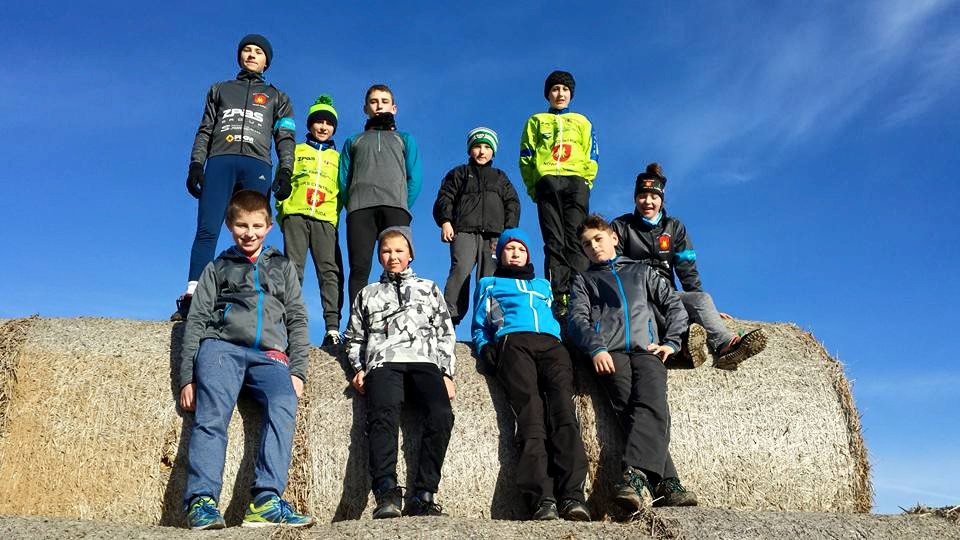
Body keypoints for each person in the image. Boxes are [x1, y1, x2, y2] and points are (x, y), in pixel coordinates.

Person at [178, 190, 313, 530]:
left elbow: (297, 318)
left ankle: (266, 500)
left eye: (256, 226)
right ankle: (202, 501)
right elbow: (197, 320)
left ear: (269, 227)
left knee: (284, 403)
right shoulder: (217, 268)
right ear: (229, 225)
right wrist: (187, 377)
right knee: (212, 416)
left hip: (269, 355)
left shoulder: (283, 267)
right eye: (241, 226)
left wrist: (298, 370)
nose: (249, 233)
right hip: (221, 348)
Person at [568, 215, 699, 513]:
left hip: (647, 350)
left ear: (613, 238)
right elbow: (577, 320)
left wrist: (672, 342)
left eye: (598, 239)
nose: (593, 247)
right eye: (586, 244)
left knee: (653, 404)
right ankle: (668, 483)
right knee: (629, 411)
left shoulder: (642, 271)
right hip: (610, 354)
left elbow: (673, 305)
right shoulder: (584, 280)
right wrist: (596, 348)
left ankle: (635, 476)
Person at [173, 34, 296, 321]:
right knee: (207, 229)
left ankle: (249, 296)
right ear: (240, 56)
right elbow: (205, 129)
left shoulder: (278, 97)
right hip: (220, 161)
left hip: (257, 164)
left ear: (266, 62)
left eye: (258, 52)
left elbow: (285, 136)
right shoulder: (220, 89)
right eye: (247, 50)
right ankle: (193, 296)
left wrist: (286, 170)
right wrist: (196, 164)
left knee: (253, 232)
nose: (251, 55)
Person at [472, 228, 590, 522]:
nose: (515, 253)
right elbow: (479, 325)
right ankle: (542, 499)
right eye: (509, 248)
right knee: (530, 414)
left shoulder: (543, 285)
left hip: (551, 345)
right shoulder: (489, 283)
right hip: (515, 344)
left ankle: (572, 496)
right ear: (500, 253)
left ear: (528, 254)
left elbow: (554, 316)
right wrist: (485, 347)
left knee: (564, 413)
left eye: (521, 249)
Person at [344, 226, 456, 519]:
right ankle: (386, 492)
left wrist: (447, 372)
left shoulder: (429, 288)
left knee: (442, 414)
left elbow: (445, 332)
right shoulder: (367, 294)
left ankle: (424, 494)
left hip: (424, 361)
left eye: (399, 251)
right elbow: (354, 337)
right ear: (379, 256)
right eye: (386, 251)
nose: (393, 256)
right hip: (383, 362)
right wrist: (359, 367)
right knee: (383, 415)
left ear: (410, 255)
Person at [612, 163, 767, 369]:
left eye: (653, 196)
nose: (647, 201)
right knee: (650, 308)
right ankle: (685, 346)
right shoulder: (621, 226)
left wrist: (707, 311)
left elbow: (687, 269)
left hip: (667, 292)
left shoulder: (674, 227)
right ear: (635, 198)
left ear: (661, 199)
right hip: (636, 294)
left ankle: (726, 346)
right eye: (642, 196)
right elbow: (613, 264)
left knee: (702, 299)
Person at [518, 70, 598, 317]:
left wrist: (585, 182)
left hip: (576, 183)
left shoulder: (582, 121)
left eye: (565, 89)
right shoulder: (536, 120)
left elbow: (592, 154)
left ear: (571, 94)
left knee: (577, 239)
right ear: (548, 94)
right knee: (554, 241)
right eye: (555, 89)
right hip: (547, 183)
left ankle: (580, 294)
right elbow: (526, 156)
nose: (560, 93)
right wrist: (535, 186)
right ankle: (559, 296)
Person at [339, 84, 421, 309]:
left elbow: (415, 178)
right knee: (359, 268)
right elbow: (343, 179)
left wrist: (401, 203)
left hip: (395, 209)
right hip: (360, 211)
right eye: (374, 102)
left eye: (384, 102)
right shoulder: (353, 141)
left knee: (398, 265)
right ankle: (358, 321)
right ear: (365, 108)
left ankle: (401, 315)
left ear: (394, 108)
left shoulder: (405, 139)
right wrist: (352, 204)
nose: (379, 106)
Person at [274, 94, 344, 346]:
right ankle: (286, 325)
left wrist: (335, 214)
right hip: (296, 215)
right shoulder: (297, 150)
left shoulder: (339, 158)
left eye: (329, 123)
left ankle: (332, 328)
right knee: (293, 270)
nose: (323, 127)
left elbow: (344, 190)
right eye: (318, 121)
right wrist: (284, 212)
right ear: (310, 124)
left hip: (325, 218)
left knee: (329, 271)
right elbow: (281, 181)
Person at [433, 127, 520, 327]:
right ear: (470, 150)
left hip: (495, 235)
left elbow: (512, 204)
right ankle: (449, 319)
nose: (482, 151)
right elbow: (445, 198)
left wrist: (509, 231)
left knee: (490, 277)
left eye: (487, 147)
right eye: (477, 146)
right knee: (460, 271)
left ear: (493, 151)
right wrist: (445, 221)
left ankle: (490, 321)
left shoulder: (500, 177)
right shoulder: (459, 173)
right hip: (464, 231)